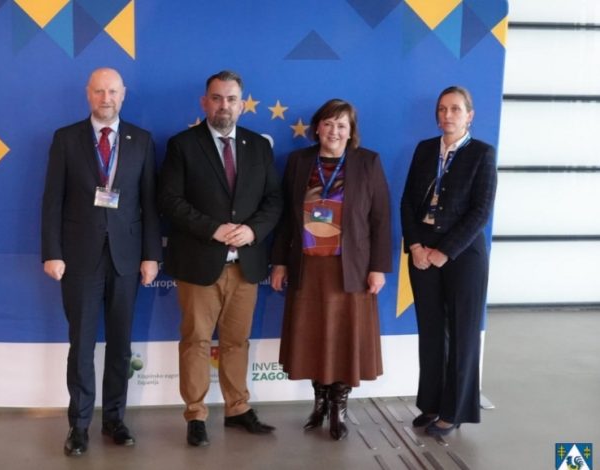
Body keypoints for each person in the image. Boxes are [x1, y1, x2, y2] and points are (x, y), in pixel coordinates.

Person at [41, 67, 161, 456]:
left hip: (126, 258)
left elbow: (150, 203)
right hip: (78, 259)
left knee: (121, 345)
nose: (105, 98)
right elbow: (52, 200)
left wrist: (151, 255)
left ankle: (114, 419)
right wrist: (52, 252)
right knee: (81, 345)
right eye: (98, 91)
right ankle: (78, 426)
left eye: (112, 91)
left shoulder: (142, 140)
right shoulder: (66, 138)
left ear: (123, 95)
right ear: (88, 94)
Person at [158, 70, 283, 447]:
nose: (223, 106)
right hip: (199, 263)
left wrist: (252, 231)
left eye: (231, 99)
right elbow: (170, 200)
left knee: (237, 341)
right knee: (195, 341)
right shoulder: (182, 145)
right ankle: (195, 415)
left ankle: (237, 408)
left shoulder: (258, 146)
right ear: (204, 102)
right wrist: (212, 228)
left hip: (245, 265)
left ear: (241, 104)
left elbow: (274, 200)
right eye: (216, 98)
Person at [271, 98, 392, 440]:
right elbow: (286, 218)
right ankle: (320, 402)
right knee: (311, 337)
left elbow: (381, 218)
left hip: (350, 269)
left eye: (341, 125)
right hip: (308, 266)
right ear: (317, 128)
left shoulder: (368, 162)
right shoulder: (298, 161)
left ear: (351, 131)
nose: (334, 131)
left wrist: (378, 267)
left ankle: (339, 405)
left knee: (343, 337)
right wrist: (279, 262)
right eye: (328, 124)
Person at [400, 86, 497, 437]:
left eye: (455, 109)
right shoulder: (425, 149)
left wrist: (445, 251)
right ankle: (431, 404)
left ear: (469, 115)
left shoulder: (482, 153)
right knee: (430, 330)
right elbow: (407, 202)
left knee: (461, 333)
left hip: (463, 255)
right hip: (422, 252)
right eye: (442, 109)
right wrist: (415, 245)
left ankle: (455, 410)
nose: (447, 115)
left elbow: (480, 211)